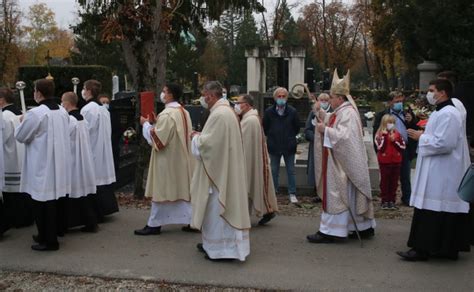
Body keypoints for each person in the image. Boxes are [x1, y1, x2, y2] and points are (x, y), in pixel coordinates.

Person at [397, 79, 471, 261]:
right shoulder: (442, 112)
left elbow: (446, 143)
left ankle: (422, 249)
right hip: (437, 168)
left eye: (431, 90)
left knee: (433, 209)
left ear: (443, 92)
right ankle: (441, 248)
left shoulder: (450, 114)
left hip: (442, 171)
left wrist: (421, 137)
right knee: (434, 210)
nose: (428, 94)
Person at [307, 69, 375, 243]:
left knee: (336, 193)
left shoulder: (348, 113)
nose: (329, 100)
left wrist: (325, 131)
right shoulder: (343, 111)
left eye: (331, 97)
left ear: (340, 98)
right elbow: (331, 119)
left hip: (343, 164)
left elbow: (345, 137)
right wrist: (320, 113)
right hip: (343, 162)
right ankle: (359, 226)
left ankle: (331, 231)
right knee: (349, 195)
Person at [191, 81, 251, 261]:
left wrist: (195, 139)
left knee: (217, 211)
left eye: (204, 95)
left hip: (219, 174)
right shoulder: (227, 111)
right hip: (225, 168)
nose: (203, 98)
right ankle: (215, 245)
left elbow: (208, 146)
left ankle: (221, 250)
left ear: (210, 95)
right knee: (219, 210)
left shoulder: (219, 114)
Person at [15, 79, 71, 251]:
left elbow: (21, 136)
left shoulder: (36, 113)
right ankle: (47, 234)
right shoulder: (62, 111)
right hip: (58, 163)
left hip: (42, 164)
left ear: (38, 93)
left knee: (41, 204)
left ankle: (49, 241)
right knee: (53, 202)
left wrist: (21, 121)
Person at [134, 83, 195, 236]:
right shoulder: (183, 111)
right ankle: (192, 221)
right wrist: (155, 122)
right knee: (182, 189)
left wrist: (146, 124)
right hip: (181, 158)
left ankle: (154, 224)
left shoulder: (168, 114)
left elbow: (159, 140)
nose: (162, 94)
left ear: (171, 95)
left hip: (167, 160)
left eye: (164, 91)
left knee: (162, 190)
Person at [234, 94, 279, 226]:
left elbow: (240, 139)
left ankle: (263, 210)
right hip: (254, 157)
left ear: (246, 105)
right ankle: (266, 210)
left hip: (250, 158)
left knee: (251, 183)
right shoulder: (250, 118)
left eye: (238, 102)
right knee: (256, 184)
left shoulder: (250, 120)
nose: (236, 105)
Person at [80, 80, 118, 220]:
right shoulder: (102, 108)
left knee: (94, 179)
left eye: (84, 88)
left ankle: (96, 212)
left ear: (89, 91)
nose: (83, 91)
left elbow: (85, 131)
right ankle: (105, 209)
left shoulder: (88, 109)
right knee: (102, 179)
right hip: (103, 148)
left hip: (93, 149)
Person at [61, 92, 98, 233]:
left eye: (63, 102)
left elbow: (64, 137)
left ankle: (72, 223)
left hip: (73, 158)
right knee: (83, 193)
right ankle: (90, 221)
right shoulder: (81, 118)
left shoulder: (71, 119)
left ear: (67, 103)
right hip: (82, 157)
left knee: (75, 192)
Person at [373, 91, 413, 206]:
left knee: (405, 175)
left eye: (401, 101)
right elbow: (376, 133)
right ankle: (386, 199)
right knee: (386, 178)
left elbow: (414, 127)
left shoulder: (407, 114)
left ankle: (407, 197)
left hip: (402, 149)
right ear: (390, 102)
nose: (399, 104)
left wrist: (411, 121)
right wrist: (379, 150)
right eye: (397, 101)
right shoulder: (382, 115)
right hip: (386, 152)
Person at [0, 88, 32, 228]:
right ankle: (26, 217)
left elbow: (3, 137)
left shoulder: (5, 115)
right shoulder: (20, 112)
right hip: (22, 156)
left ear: (2, 100)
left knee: (11, 193)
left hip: (10, 158)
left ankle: (15, 220)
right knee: (21, 192)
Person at [263, 87, 300, 203]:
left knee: (291, 170)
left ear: (287, 98)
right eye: (279, 96)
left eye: (283, 96)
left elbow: (297, 128)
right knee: (274, 170)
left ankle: (292, 193)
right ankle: (273, 192)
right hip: (274, 145)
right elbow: (266, 128)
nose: (281, 98)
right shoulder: (269, 112)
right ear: (275, 98)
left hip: (289, 146)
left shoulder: (292, 111)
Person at [375, 114, 406, 210]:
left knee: (394, 182)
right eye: (389, 122)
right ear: (384, 123)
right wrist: (385, 137)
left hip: (396, 161)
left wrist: (395, 141)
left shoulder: (397, 134)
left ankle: (392, 200)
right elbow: (380, 148)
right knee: (385, 182)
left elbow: (403, 146)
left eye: (393, 122)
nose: (391, 124)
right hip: (385, 162)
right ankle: (384, 200)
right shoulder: (379, 134)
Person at [305, 93, 331, 203]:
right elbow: (308, 129)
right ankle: (317, 191)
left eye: (326, 100)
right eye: (321, 100)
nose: (324, 102)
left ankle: (328, 192)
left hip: (328, 146)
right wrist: (315, 138)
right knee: (316, 167)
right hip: (316, 146)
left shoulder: (332, 113)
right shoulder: (313, 113)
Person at [98, 93, 122, 174]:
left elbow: (118, 129)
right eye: (103, 102)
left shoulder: (114, 113)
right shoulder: (97, 113)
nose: (105, 104)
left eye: (107, 102)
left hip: (112, 143)